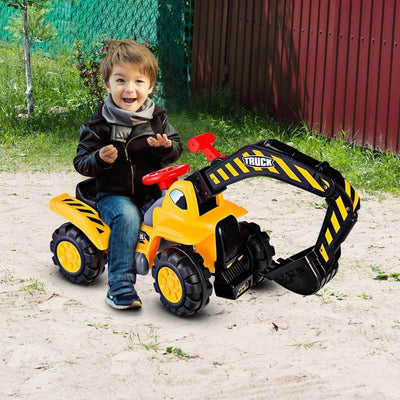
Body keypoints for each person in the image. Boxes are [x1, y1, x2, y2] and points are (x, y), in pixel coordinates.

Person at [73, 39, 183, 310]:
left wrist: (166, 149)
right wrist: (99, 158)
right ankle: (120, 284)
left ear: (150, 86)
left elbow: (177, 147)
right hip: (114, 194)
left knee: (178, 207)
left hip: (149, 189)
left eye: (138, 81)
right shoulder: (99, 124)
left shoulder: (158, 118)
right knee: (128, 217)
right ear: (108, 85)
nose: (130, 89)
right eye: (120, 80)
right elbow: (81, 162)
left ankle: (180, 263)